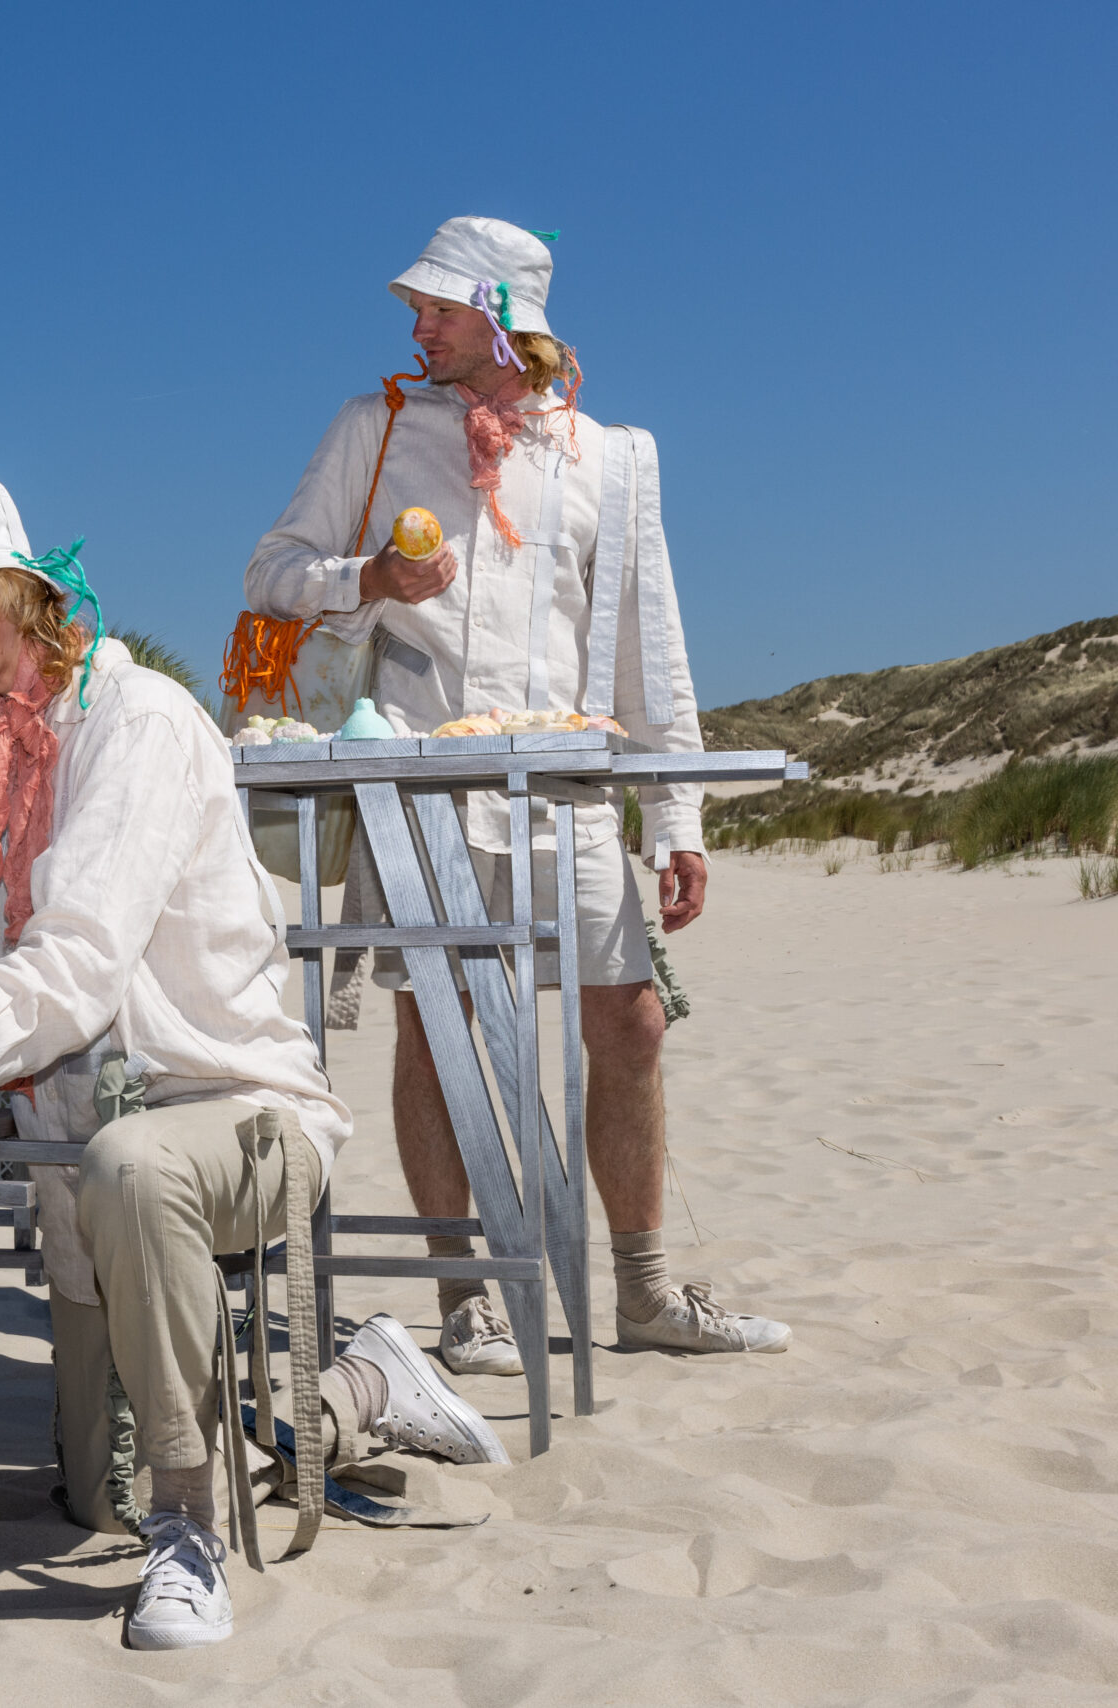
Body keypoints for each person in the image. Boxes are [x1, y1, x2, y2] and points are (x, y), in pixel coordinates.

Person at [0, 469, 506, 1652]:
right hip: (83, 1145)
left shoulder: (140, 722)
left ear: (11, 588)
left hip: (237, 1114)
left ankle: (193, 1529)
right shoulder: (13, 752)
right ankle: (359, 1386)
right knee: (88, 1495)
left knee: (134, 1172)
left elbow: (72, 969)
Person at [244, 218, 791, 1371]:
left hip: (572, 784)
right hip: (419, 783)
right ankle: (464, 1301)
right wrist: (369, 578)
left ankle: (640, 1293)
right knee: (433, 1031)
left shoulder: (612, 455)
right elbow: (272, 573)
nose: (415, 326)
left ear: (503, 321)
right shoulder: (373, 426)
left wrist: (677, 819)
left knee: (630, 1020)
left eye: (437, 309)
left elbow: (652, 642)